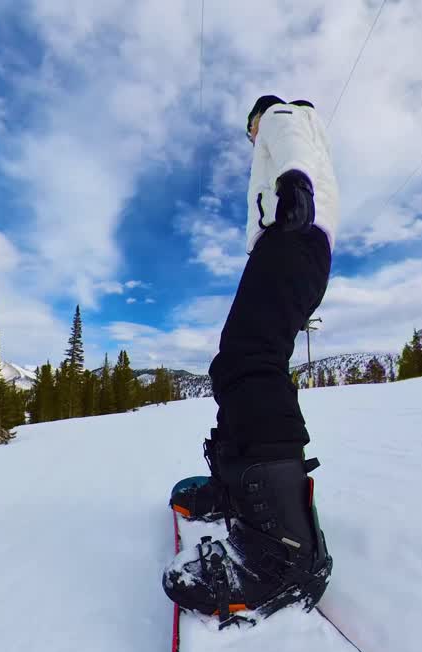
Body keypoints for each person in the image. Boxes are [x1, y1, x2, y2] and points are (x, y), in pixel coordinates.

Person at [163, 95, 339, 623]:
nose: (251, 136)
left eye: (250, 128)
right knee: (238, 361)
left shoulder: (283, 118)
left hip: (291, 236)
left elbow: (287, 138)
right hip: (290, 241)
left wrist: (294, 183)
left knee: (249, 358)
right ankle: (238, 489)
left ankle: (285, 551)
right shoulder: (301, 137)